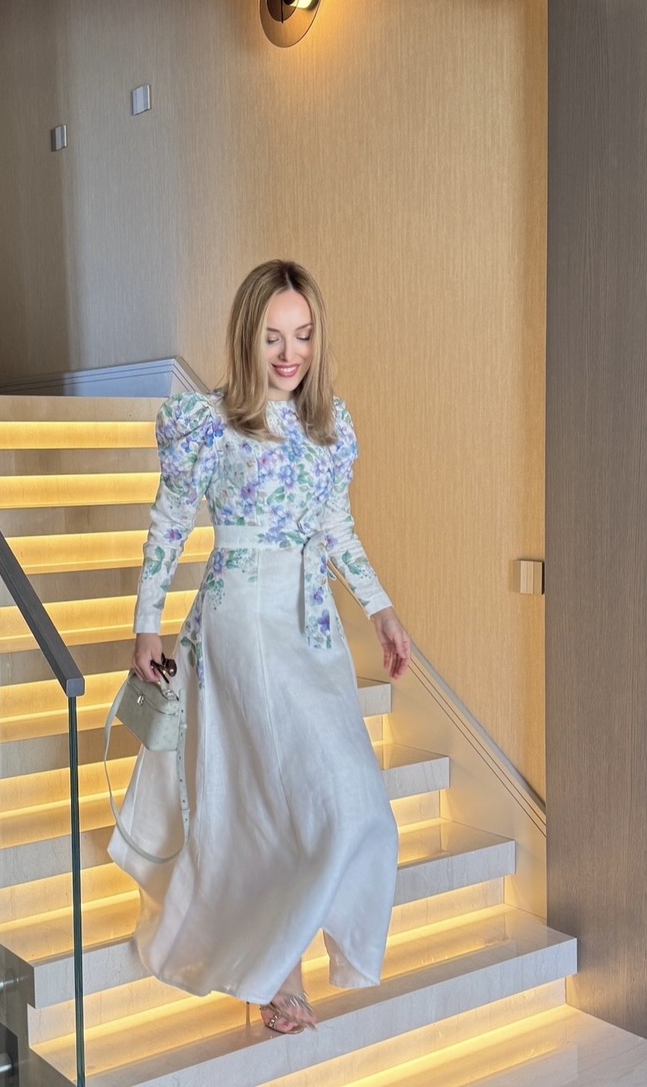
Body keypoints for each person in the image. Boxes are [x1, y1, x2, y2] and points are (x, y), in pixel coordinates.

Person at [108, 260, 412, 1034]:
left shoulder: (328, 426)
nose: (290, 353)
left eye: (303, 335)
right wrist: (147, 623)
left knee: (350, 801)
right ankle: (281, 971)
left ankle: (283, 953)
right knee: (277, 800)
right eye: (274, 336)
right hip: (240, 623)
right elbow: (169, 525)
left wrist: (381, 611)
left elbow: (336, 529)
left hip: (311, 626)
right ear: (247, 335)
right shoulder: (208, 423)